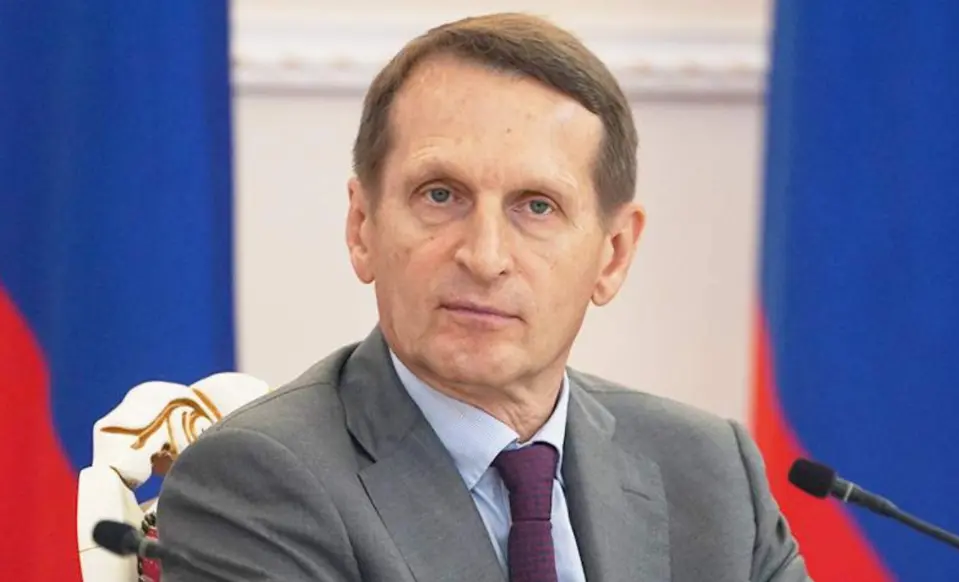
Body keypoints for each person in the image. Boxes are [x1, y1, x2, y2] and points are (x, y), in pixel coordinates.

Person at [159, 12, 811, 582]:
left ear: (612, 255)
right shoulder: (258, 480)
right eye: (440, 195)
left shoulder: (708, 471)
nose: (485, 256)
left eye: (537, 206)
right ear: (362, 228)